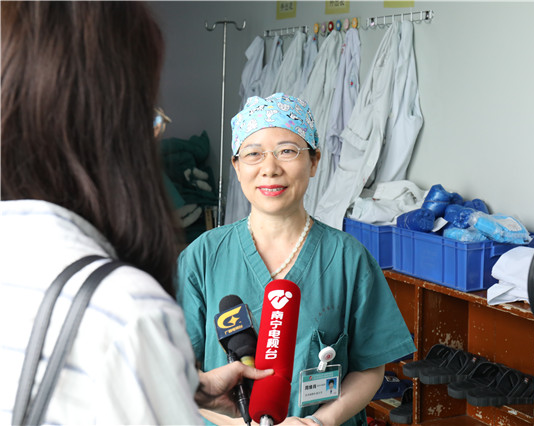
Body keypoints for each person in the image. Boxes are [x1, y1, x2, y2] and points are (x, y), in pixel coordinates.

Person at [0, 2, 271, 424]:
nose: (270, 168)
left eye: (287, 151)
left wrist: (187, 387)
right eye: (149, 118)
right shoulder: (128, 310)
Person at [177, 93, 416, 425]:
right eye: (253, 154)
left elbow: (370, 367)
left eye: (287, 151)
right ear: (237, 167)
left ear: (314, 161)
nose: (270, 168)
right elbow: (176, 371)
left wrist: (319, 422)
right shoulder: (203, 257)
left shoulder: (348, 259)